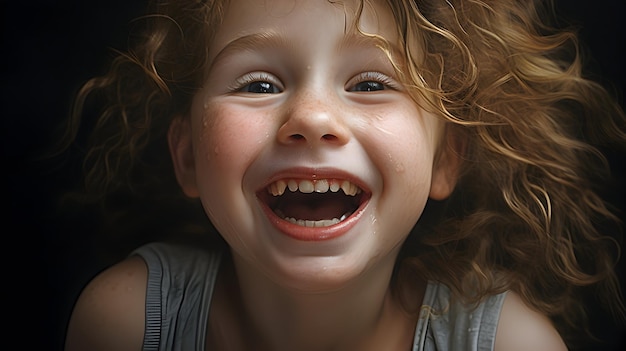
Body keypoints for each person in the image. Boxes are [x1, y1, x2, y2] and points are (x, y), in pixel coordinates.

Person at [60, 0, 626, 350]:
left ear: (445, 158)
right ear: (186, 157)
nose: (311, 118)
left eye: (372, 84)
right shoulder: (126, 327)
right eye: (258, 84)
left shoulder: (511, 346)